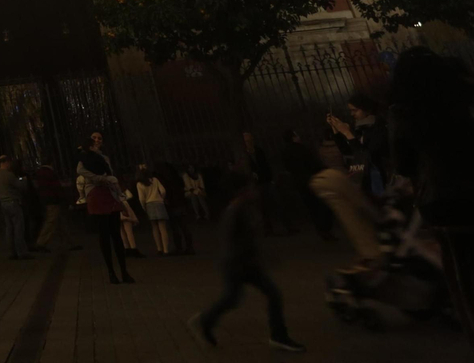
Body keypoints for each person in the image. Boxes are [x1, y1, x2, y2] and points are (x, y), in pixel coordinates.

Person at [389, 45, 474, 363]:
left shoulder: (406, 113)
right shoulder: (470, 102)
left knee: (471, 287)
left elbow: (403, 164)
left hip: (447, 206)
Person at [188, 175, 304, 352]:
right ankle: (278, 336)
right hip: (239, 265)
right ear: (242, 190)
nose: (255, 191)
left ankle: (206, 321)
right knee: (264, 296)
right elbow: (233, 240)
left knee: (234, 298)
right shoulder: (236, 211)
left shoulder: (241, 209)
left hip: (241, 263)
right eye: (251, 187)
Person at [78, 133, 134, 284]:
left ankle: (123, 270)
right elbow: (81, 171)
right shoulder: (84, 157)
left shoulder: (104, 158)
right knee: (104, 235)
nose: (97, 141)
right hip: (96, 193)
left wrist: (119, 197)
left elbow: (111, 174)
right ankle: (111, 271)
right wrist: (99, 179)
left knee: (116, 234)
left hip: (109, 193)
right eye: (94, 139)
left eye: (99, 139)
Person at [329, 93, 391, 201]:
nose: (352, 114)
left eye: (355, 110)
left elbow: (367, 154)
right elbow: (348, 152)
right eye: (350, 110)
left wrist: (347, 133)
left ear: (366, 110)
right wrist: (336, 131)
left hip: (381, 178)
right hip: (365, 179)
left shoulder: (378, 127)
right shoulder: (359, 129)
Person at [280, 128, 334, 240]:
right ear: (293, 137)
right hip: (310, 179)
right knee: (321, 204)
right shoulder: (302, 149)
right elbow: (312, 163)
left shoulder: (285, 151)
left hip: (299, 182)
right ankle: (325, 228)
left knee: (311, 206)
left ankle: (320, 229)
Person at [32, 160, 78, 254]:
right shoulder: (50, 173)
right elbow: (56, 187)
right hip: (53, 200)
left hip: (46, 200)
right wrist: (64, 199)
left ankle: (69, 242)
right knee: (51, 221)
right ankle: (41, 243)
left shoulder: (39, 173)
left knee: (60, 221)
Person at [0, 156, 30, 260]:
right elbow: (20, 186)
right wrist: (24, 180)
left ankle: (11, 251)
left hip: (3, 203)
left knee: (9, 228)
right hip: (13, 202)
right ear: (6, 162)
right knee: (18, 227)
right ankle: (21, 252)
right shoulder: (8, 175)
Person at [137, 167, 170, 255]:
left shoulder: (140, 184)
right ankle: (166, 249)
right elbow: (163, 191)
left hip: (149, 204)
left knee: (154, 227)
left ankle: (159, 249)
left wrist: (144, 207)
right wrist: (161, 198)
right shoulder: (155, 180)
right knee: (163, 228)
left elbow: (141, 198)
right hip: (159, 203)